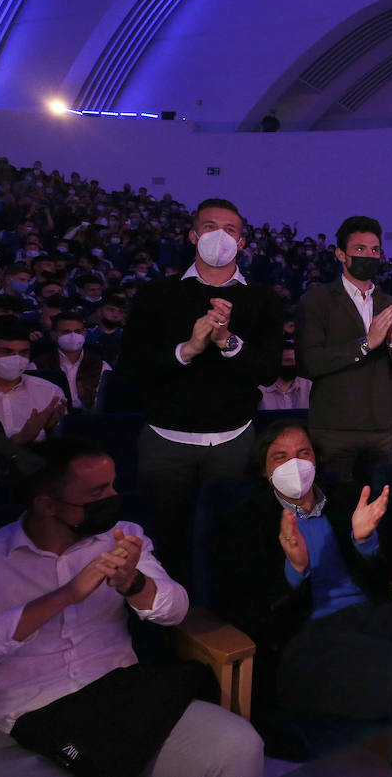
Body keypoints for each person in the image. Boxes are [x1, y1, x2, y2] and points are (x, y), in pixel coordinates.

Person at [0, 437, 265, 777]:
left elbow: (176, 610)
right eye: (97, 492)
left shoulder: (122, 537)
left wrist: (134, 583)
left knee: (238, 744)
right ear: (47, 505)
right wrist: (66, 595)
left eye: (113, 485)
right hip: (17, 727)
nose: (113, 497)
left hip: (120, 705)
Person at [213, 421, 392, 777]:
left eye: (303, 453)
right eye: (280, 457)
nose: (295, 464)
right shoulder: (246, 521)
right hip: (305, 637)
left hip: (369, 614)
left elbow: (386, 574)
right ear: (264, 469)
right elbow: (244, 612)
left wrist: (365, 541)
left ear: (316, 458)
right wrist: (294, 571)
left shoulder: (345, 499)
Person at [119, 197, 282, 583]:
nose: (219, 236)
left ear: (241, 243)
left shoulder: (263, 299)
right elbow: (132, 368)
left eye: (230, 230)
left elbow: (267, 371)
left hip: (234, 440)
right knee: (164, 542)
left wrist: (227, 341)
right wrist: (188, 350)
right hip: (165, 441)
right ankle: (165, 611)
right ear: (193, 236)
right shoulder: (156, 295)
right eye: (210, 227)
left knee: (230, 541)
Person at [296, 216, 392, 481]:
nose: (369, 256)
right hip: (334, 428)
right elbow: (310, 362)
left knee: (378, 498)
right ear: (341, 254)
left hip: (381, 428)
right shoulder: (318, 299)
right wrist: (366, 343)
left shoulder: (390, 303)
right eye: (360, 249)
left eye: (375, 250)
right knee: (333, 497)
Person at [33, 309, 110, 411]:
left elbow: (107, 399)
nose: (73, 336)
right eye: (66, 332)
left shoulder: (101, 365)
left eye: (78, 332)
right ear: (53, 335)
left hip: (88, 417)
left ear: (84, 334)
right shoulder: (38, 365)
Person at [257, 342, 312, 410]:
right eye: (288, 360)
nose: (294, 364)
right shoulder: (260, 390)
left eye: (296, 360)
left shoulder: (309, 387)